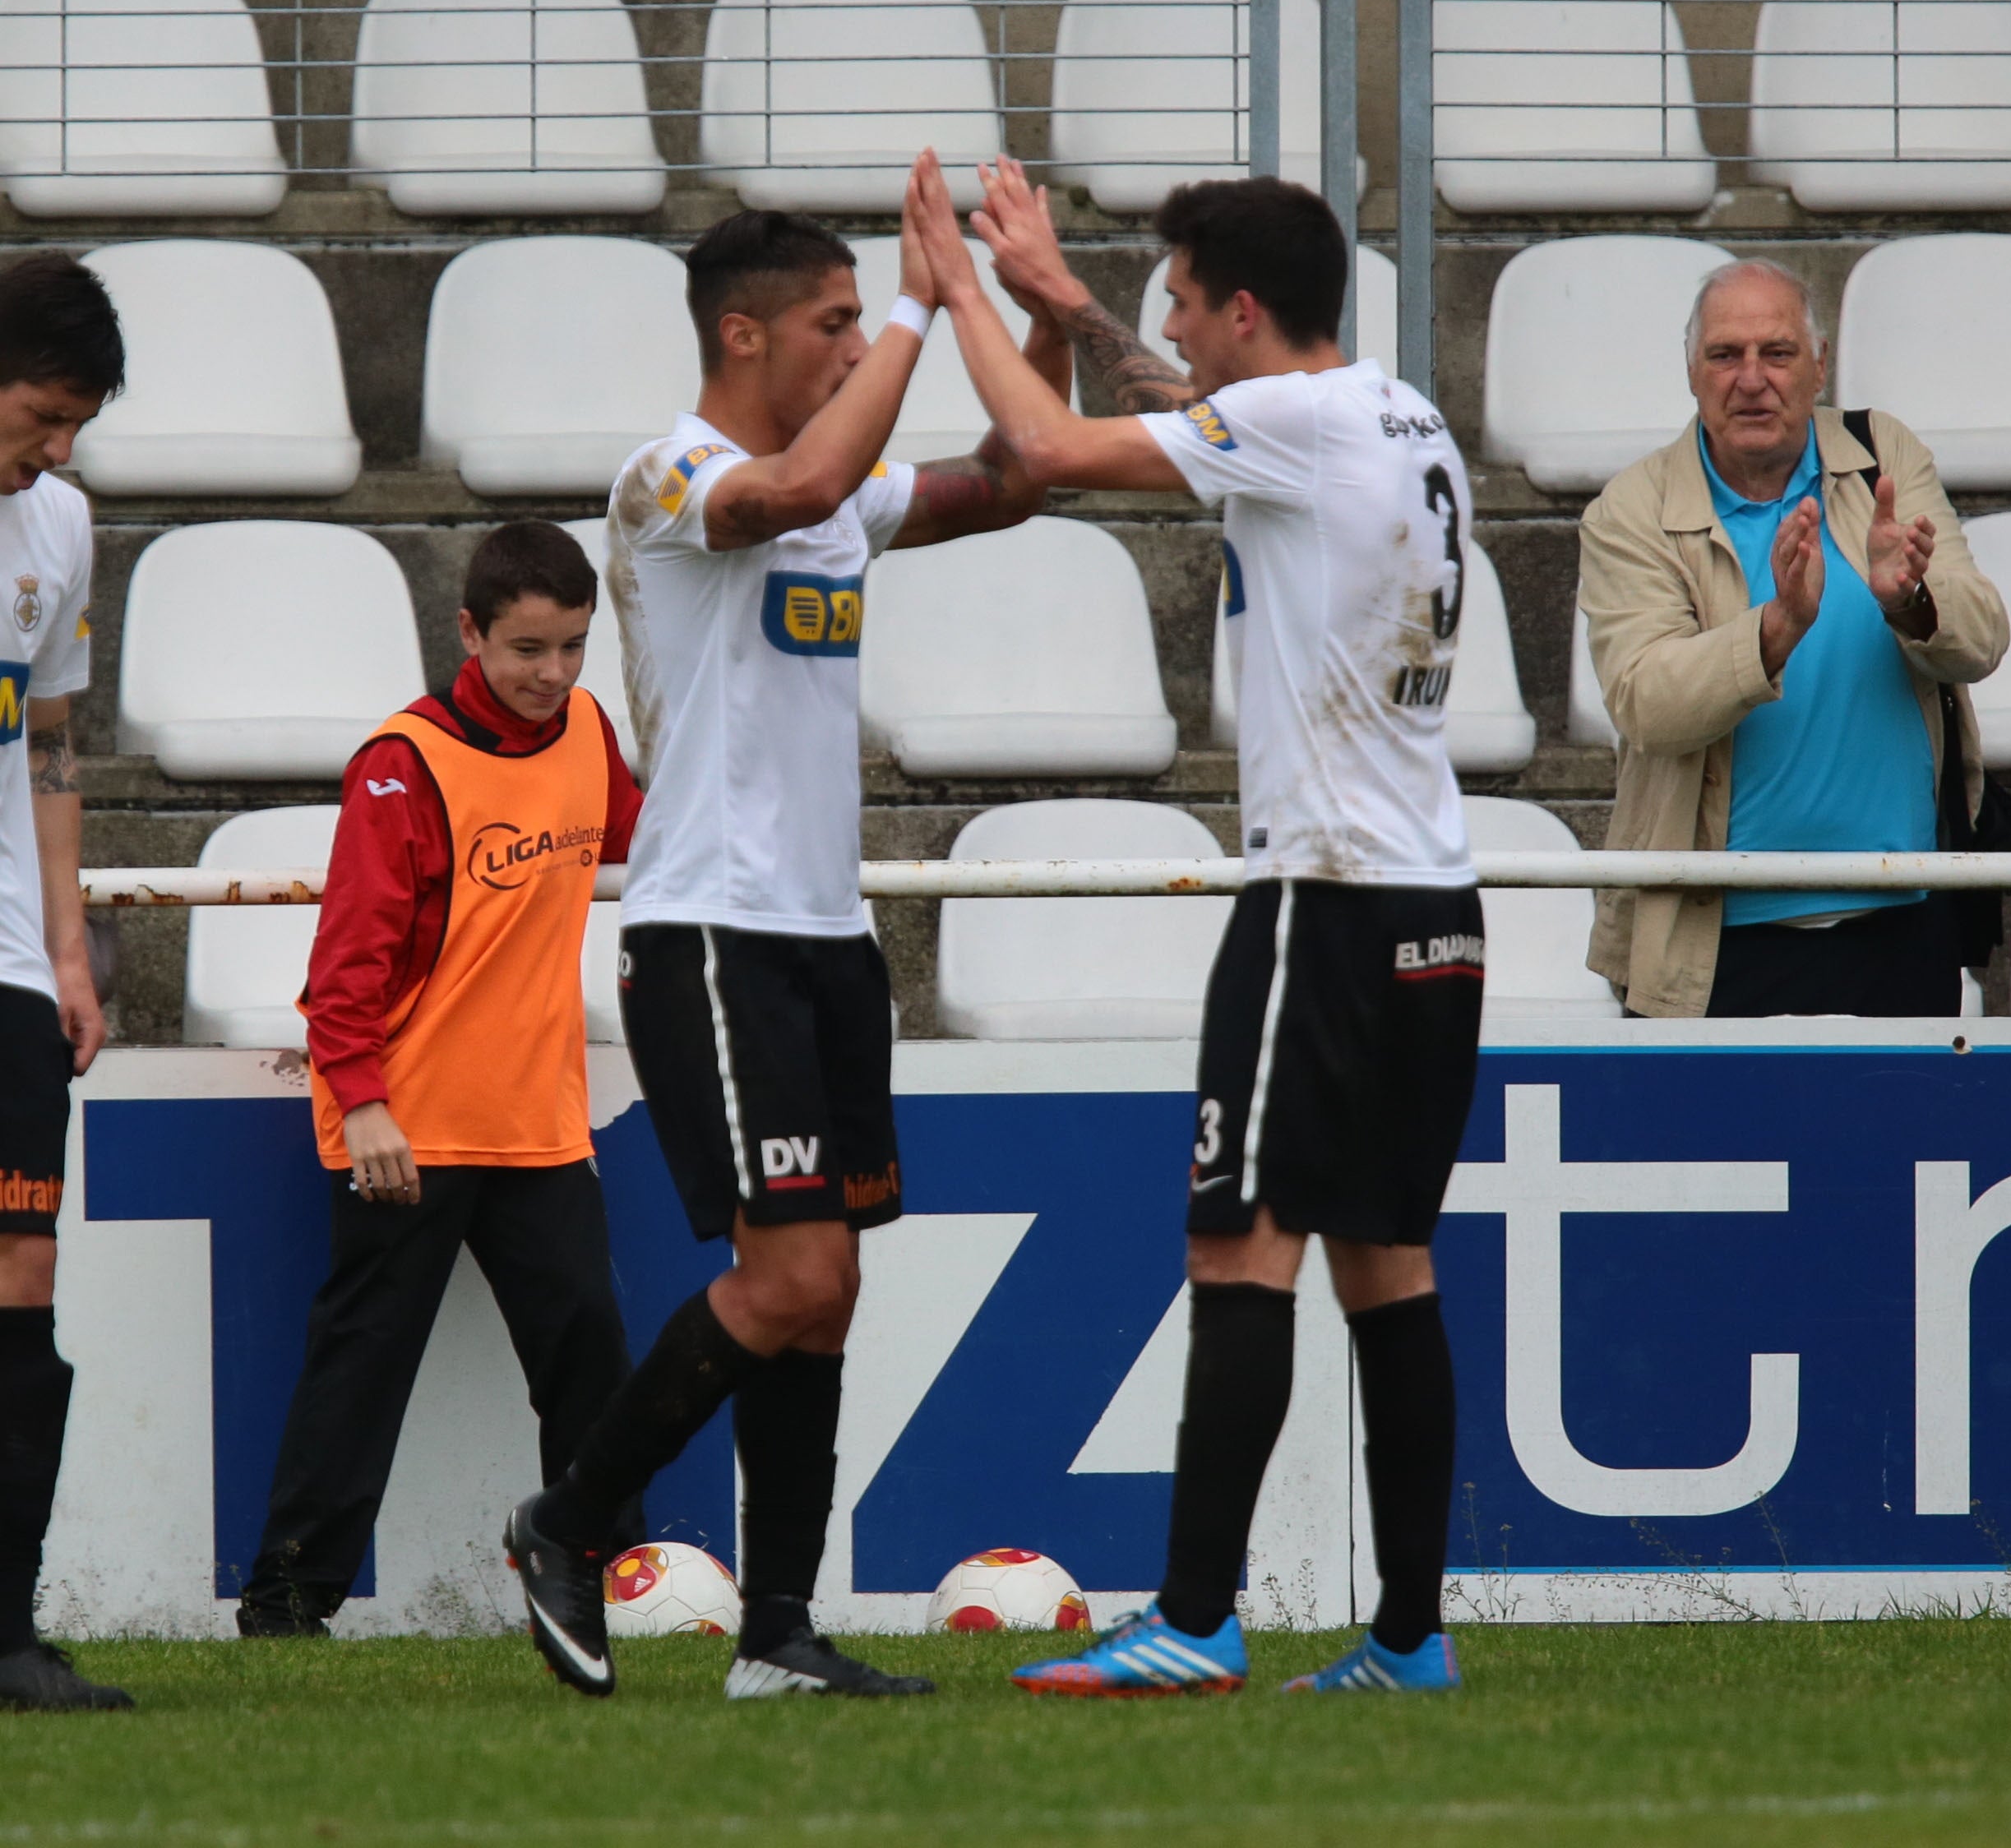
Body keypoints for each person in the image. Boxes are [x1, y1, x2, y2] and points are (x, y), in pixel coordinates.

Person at [907, 154, 1482, 1697]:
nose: (1165, 324)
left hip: (1324, 902)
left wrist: (964, 287)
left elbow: (1043, 447)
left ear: (1241, 309)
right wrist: (1072, 301)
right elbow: (1178, 404)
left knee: (1237, 1244)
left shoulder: (1296, 424)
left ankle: (1194, 1616)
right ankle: (1410, 1637)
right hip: (1434, 905)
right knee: (1389, 1265)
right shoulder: (1396, 414)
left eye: (1178, 298)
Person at [504, 175, 1070, 1702]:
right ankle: (566, 1521)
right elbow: (803, 487)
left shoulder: (840, 494)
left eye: (863, 322)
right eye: (834, 325)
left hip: (826, 937)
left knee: (828, 1292)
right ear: (742, 334)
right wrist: (922, 298)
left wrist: (1025, 308)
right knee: (794, 1276)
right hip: (714, 933)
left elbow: (1016, 479)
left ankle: (777, 1632)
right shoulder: (671, 478)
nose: (856, 348)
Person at [238, 524, 645, 1638]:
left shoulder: (589, 730)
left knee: (590, 1358)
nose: (553, 674)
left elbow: (640, 839)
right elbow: (346, 965)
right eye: (528, 649)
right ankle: (285, 1601)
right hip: (406, 1126)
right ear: (470, 632)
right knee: (361, 1369)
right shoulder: (403, 762)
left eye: (572, 647)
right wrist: (364, 1100)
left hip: (540, 1123)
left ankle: (607, 1580)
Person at [1577, 258, 2009, 1018]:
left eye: (1777, 353)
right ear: (1691, 372)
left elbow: (1983, 641)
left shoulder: (1882, 455)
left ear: (1819, 366)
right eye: (1725, 355)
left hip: (1902, 921)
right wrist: (1776, 630)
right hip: (1716, 940)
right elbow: (1648, 704)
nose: (1752, 379)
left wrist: (1909, 599)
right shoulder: (1632, 508)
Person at [0, 254, 124, 1712]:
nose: (58, 447)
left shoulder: (62, 524)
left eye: (79, 422)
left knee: (23, 1277)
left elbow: (50, 744)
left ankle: (7, 1631)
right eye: (41, 415)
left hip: (10, 968)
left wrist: (67, 947)